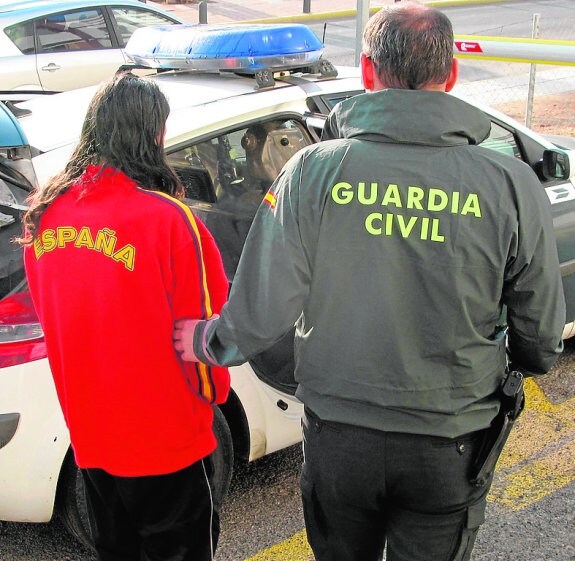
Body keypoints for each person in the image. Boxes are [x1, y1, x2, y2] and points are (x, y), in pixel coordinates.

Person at [173, 3, 565, 560]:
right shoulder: (509, 181)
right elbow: (541, 329)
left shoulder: (311, 171)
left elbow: (260, 312)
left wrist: (209, 342)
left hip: (340, 435)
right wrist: (525, 361)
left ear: (365, 70)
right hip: (450, 439)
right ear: (451, 73)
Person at [21, 73, 229, 561]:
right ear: (153, 135)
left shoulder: (46, 213)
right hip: (168, 436)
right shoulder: (169, 219)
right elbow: (204, 335)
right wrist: (213, 397)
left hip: (91, 432)